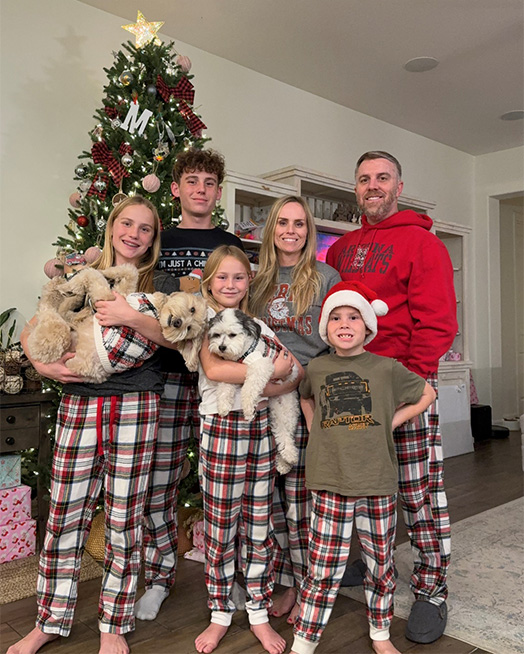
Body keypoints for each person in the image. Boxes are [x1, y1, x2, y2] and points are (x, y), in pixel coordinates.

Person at [10, 196, 178, 654]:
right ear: (112, 226)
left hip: (136, 404)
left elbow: (178, 336)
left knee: (124, 517)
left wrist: (131, 317)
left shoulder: (160, 281)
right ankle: (49, 620)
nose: (135, 234)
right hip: (81, 405)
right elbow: (35, 324)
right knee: (64, 513)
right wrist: (41, 366)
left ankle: (113, 622)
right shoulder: (82, 274)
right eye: (127, 223)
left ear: (153, 237)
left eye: (146, 228)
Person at [326, 151, 457, 643]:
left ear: (400, 186)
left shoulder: (423, 244)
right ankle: (369, 561)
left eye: (382, 178)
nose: (373, 186)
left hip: (404, 386)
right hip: (351, 389)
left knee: (419, 492)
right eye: (364, 179)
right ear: (355, 189)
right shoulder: (340, 250)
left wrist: (414, 384)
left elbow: (439, 322)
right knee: (361, 487)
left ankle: (432, 587)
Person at [291, 281, 436, 654]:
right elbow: (305, 397)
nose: (344, 323)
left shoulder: (387, 368)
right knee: (322, 568)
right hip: (328, 480)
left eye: (353, 317)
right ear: (326, 327)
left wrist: (392, 420)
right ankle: (304, 640)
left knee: (380, 564)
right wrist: (311, 423)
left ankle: (380, 632)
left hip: (377, 482)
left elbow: (427, 393)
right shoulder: (317, 367)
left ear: (367, 326)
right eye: (335, 317)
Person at [136, 148, 245, 622]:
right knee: (159, 482)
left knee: (225, 485)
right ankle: (160, 577)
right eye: (192, 181)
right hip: (166, 378)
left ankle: (232, 576)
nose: (200, 189)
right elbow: (146, 301)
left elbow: (242, 304)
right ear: (176, 189)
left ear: (218, 193)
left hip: (219, 379)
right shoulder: (158, 239)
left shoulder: (231, 242)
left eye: (209, 183)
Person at [195, 245, 301, 654]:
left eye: (238, 277)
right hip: (219, 428)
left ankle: (258, 610)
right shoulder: (203, 322)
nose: (230, 284)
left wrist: (273, 380)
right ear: (209, 281)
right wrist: (267, 371)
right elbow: (214, 368)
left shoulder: (258, 326)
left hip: (258, 428)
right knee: (221, 527)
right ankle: (220, 612)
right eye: (222, 277)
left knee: (259, 524)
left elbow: (295, 368)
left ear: (249, 281)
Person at [249, 196, 341, 623]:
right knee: (267, 500)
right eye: (283, 222)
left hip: (305, 396)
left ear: (309, 231)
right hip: (265, 396)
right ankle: (286, 580)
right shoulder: (257, 280)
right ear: (272, 229)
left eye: (299, 223)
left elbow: (338, 340)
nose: (291, 230)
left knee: (302, 500)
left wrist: (304, 379)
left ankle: (309, 584)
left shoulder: (325, 276)